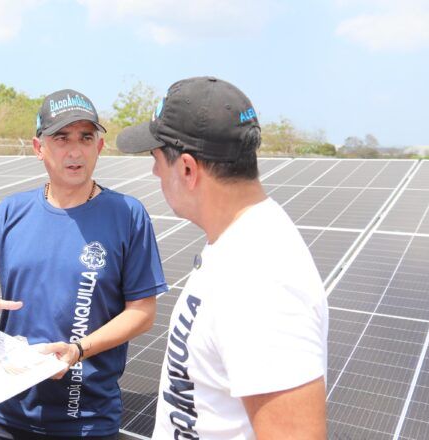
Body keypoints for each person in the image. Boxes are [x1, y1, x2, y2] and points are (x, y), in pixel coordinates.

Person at [116, 76, 328, 439]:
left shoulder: (261, 283)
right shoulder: (238, 244)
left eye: (156, 160)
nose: (154, 173)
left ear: (186, 168)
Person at [0, 89, 168, 439]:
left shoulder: (127, 214)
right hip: (5, 412)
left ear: (99, 147)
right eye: (61, 138)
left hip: (86, 420)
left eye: (85, 138)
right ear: (39, 148)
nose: (74, 150)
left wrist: (78, 351)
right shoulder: (11, 211)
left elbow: (143, 312)